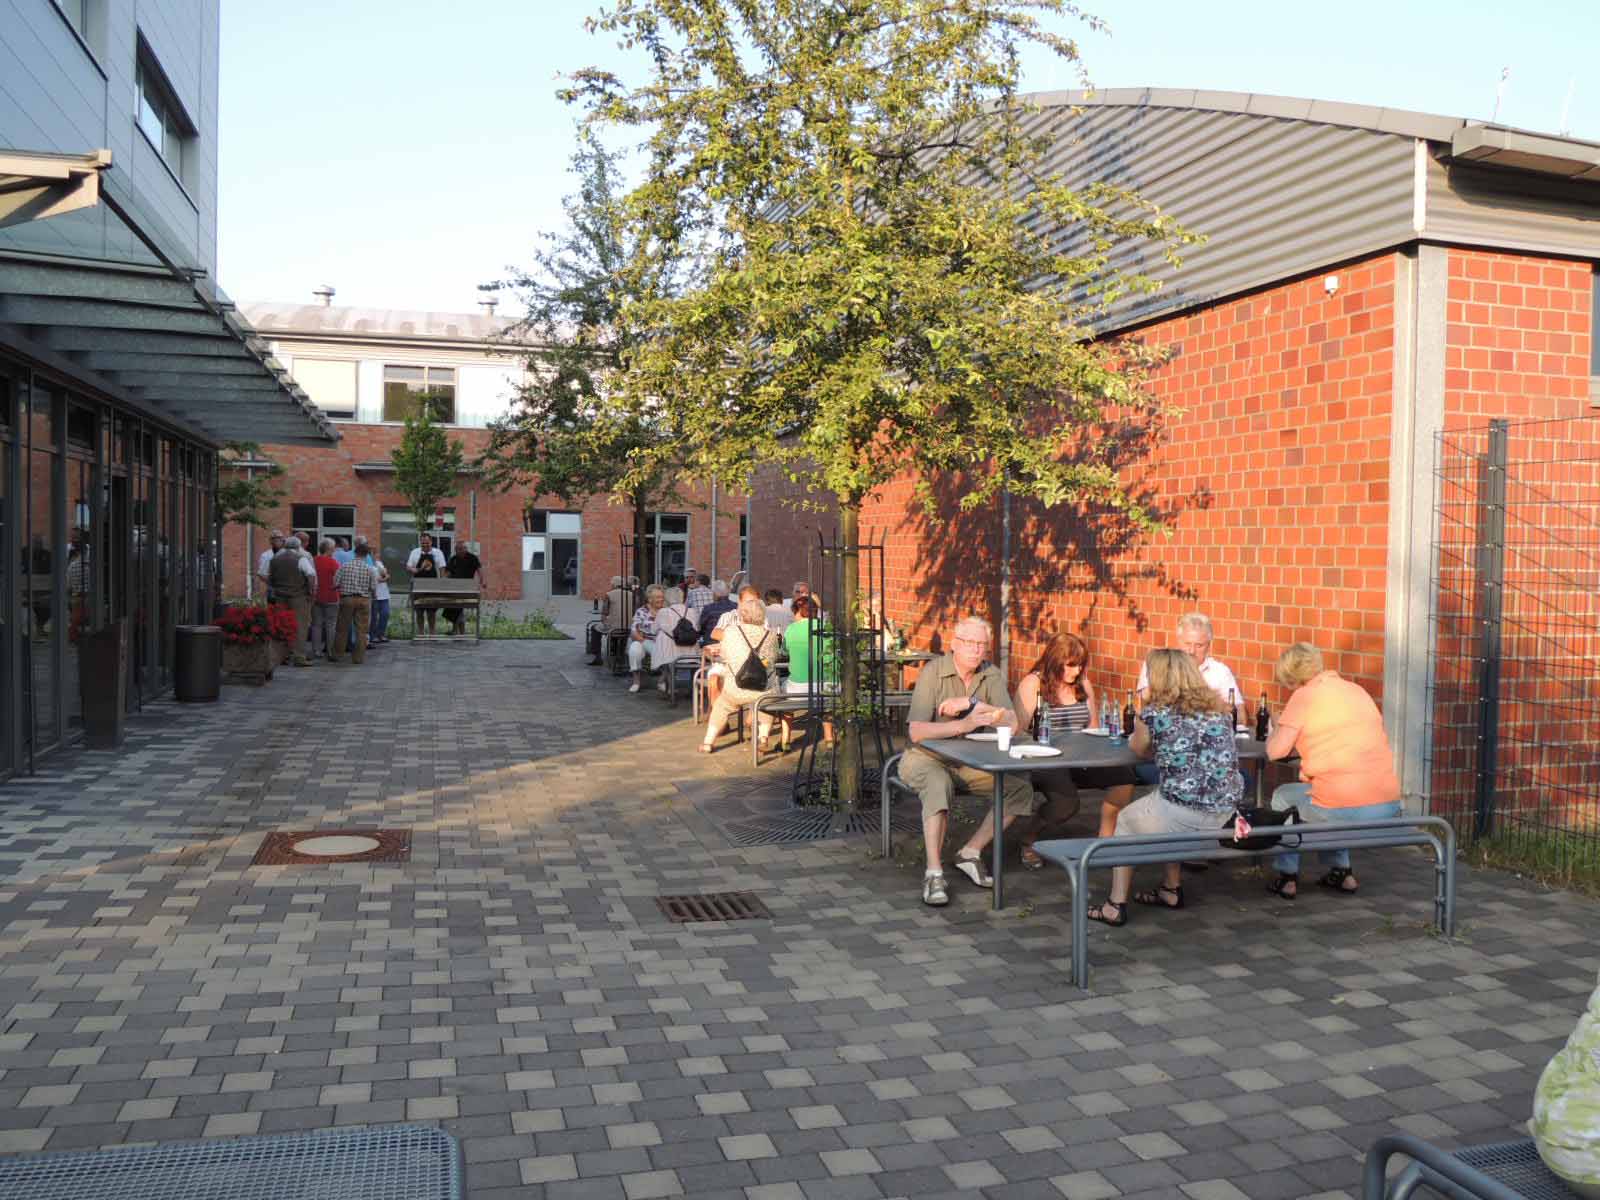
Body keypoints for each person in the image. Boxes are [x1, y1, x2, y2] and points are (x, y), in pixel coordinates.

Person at [1086, 649, 1244, 927]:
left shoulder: (1154, 714)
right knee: (1160, 801)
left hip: (1184, 814)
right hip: (1225, 814)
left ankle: (1114, 905)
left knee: (1126, 820)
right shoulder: (1220, 712)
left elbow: (1138, 748)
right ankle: (1171, 888)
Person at [902, 617, 1038, 907]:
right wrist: (964, 725)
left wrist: (972, 704)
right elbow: (916, 731)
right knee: (938, 785)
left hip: (969, 762)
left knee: (1019, 789)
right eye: (970, 643)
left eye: (982, 645)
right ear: (955, 644)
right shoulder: (933, 672)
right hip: (926, 757)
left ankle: (970, 852)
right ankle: (934, 873)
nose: (976, 650)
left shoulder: (991, 674)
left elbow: (1012, 723)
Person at [1264, 643, 1403, 900]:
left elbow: (1275, 752)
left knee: (1284, 796)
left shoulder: (1304, 696)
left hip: (1343, 807)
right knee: (1327, 793)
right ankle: (1341, 872)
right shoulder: (1356, 690)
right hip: (1387, 804)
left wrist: (1276, 727)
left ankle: (1287, 876)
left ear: (1292, 677)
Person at [1013, 632, 1139, 867]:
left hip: (1082, 756)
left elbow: (1093, 728)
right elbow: (1018, 731)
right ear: (1055, 661)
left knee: (1125, 777)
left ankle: (1104, 840)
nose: (1077, 671)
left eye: (1081, 665)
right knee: (1067, 804)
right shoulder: (1033, 683)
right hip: (1046, 758)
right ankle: (1029, 837)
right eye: (1071, 665)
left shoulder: (1082, 683)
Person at [699, 592, 781, 754]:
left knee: (721, 706)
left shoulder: (731, 632)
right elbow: (773, 659)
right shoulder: (771, 635)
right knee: (766, 705)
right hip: (763, 689)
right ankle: (763, 738)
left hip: (736, 688)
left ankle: (708, 742)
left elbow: (724, 656)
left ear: (742, 615)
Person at [779, 594, 834, 750]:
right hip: (830, 686)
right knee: (826, 702)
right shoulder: (827, 627)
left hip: (800, 688)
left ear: (798, 612)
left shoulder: (792, 629)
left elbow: (783, 651)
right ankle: (829, 737)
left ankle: (785, 739)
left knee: (783, 692)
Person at [267, 536, 316, 666]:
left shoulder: (275, 559)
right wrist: (310, 591)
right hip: (298, 596)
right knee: (300, 626)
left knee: (282, 626)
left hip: (280, 597)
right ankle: (299, 656)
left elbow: (269, 577)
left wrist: (276, 587)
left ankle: (282, 655)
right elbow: (311, 574)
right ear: (298, 547)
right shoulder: (301, 558)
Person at [330, 542, 378, 665]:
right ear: (366, 555)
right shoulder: (370, 569)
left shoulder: (344, 566)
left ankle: (337, 654)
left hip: (347, 599)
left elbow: (335, 584)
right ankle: (358, 658)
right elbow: (373, 587)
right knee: (361, 631)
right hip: (364, 600)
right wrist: (373, 596)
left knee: (342, 628)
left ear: (355, 553)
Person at [651, 586, 700, 694]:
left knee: (662, 637)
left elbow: (653, 630)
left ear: (667, 599)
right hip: (691, 651)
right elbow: (697, 628)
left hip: (669, 654)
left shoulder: (663, 612)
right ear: (682, 598)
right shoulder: (692, 611)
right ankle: (693, 688)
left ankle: (668, 686)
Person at [627, 584, 668, 693]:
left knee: (669, 652)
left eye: (662, 597)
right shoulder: (642, 611)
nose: (661, 599)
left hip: (663, 642)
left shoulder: (666, 611)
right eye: (658, 597)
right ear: (650, 599)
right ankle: (636, 682)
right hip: (644, 640)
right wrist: (644, 642)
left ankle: (662, 681)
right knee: (634, 649)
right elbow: (634, 631)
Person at [406, 534, 446, 636]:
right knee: (419, 611)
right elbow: (408, 566)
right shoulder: (415, 552)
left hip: (433, 586)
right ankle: (421, 633)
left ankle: (432, 633)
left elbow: (442, 569)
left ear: (431, 542)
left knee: (431, 611)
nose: (425, 545)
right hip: (418, 586)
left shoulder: (438, 553)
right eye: (423, 543)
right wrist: (412, 569)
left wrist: (442, 584)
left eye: (427, 543)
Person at [309, 538, 341, 660]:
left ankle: (316, 651)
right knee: (331, 625)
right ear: (329, 549)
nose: (334, 550)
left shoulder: (313, 560)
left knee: (316, 624)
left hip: (316, 596)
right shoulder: (333, 563)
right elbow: (338, 580)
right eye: (333, 548)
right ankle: (330, 651)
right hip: (331, 597)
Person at [444, 540, 483, 635]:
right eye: (458, 549)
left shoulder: (472, 558)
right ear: (456, 550)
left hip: (467, 587)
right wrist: (443, 581)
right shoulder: (453, 559)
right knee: (453, 608)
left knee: (458, 608)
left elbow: (479, 570)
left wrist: (482, 582)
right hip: (454, 587)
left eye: (463, 548)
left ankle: (459, 632)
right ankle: (457, 631)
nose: (461, 551)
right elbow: (447, 573)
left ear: (465, 549)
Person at [696, 579, 735, 644]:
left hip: (711, 643)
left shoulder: (708, 608)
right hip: (731, 643)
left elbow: (701, 627)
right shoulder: (736, 606)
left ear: (715, 594)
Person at [369, 550, 392, 647]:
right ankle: (372, 636)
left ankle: (381, 634)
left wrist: (384, 575)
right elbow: (375, 579)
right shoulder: (368, 565)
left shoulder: (379, 563)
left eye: (376, 554)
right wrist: (384, 578)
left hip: (384, 594)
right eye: (373, 554)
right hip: (374, 595)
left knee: (385, 614)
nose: (376, 556)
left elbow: (385, 574)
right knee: (373, 617)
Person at [256, 530, 284, 600]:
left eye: (280, 539)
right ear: (271, 541)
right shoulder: (266, 555)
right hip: (273, 589)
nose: (278, 541)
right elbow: (261, 573)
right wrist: (271, 583)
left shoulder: (287, 553)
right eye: (276, 539)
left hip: (287, 589)